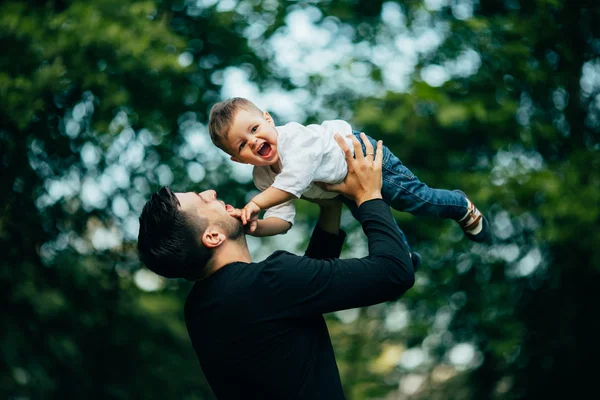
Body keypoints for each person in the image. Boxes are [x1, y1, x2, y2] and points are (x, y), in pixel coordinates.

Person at [137, 134, 416, 399]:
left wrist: (330, 209)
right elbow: (395, 272)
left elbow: (297, 296)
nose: (210, 192)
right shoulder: (271, 281)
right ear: (212, 237)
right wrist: (369, 195)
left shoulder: (200, 308)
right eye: (202, 200)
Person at [207, 97, 490, 246]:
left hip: (362, 158)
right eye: (243, 144)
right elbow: (282, 217)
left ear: (268, 120)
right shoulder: (264, 179)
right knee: (374, 224)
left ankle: (460, 206)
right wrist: (258, 226)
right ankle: (403, 256)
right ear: (240, 160)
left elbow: (293, 182)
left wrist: (255, 204)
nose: (254, 141)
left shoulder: (295, 139)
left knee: (414, 199)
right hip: (347, 189)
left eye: (255, 129)